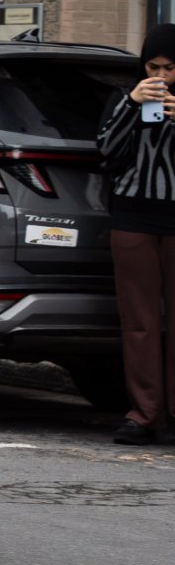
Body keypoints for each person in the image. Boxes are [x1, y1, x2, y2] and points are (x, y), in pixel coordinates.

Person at [97, 23, 175, 445]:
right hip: (132, 217)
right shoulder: (127, 97)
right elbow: (106, 151)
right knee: (139, 322)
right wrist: (131, 104)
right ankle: (144, 414)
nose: (160, 76)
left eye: (169, 67)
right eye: (152, 66)